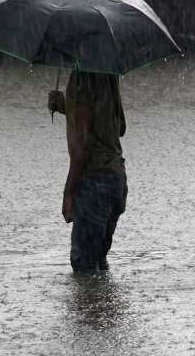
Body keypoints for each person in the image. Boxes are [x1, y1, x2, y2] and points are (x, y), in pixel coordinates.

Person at [48, 71, 127, 272]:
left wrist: (68, 193)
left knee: (83, 266)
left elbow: (80, 149)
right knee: (98, 264)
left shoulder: (81, 78)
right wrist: (68, 107)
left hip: (94, 181)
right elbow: (120, 128)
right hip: (116, 179)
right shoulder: (109, 73)